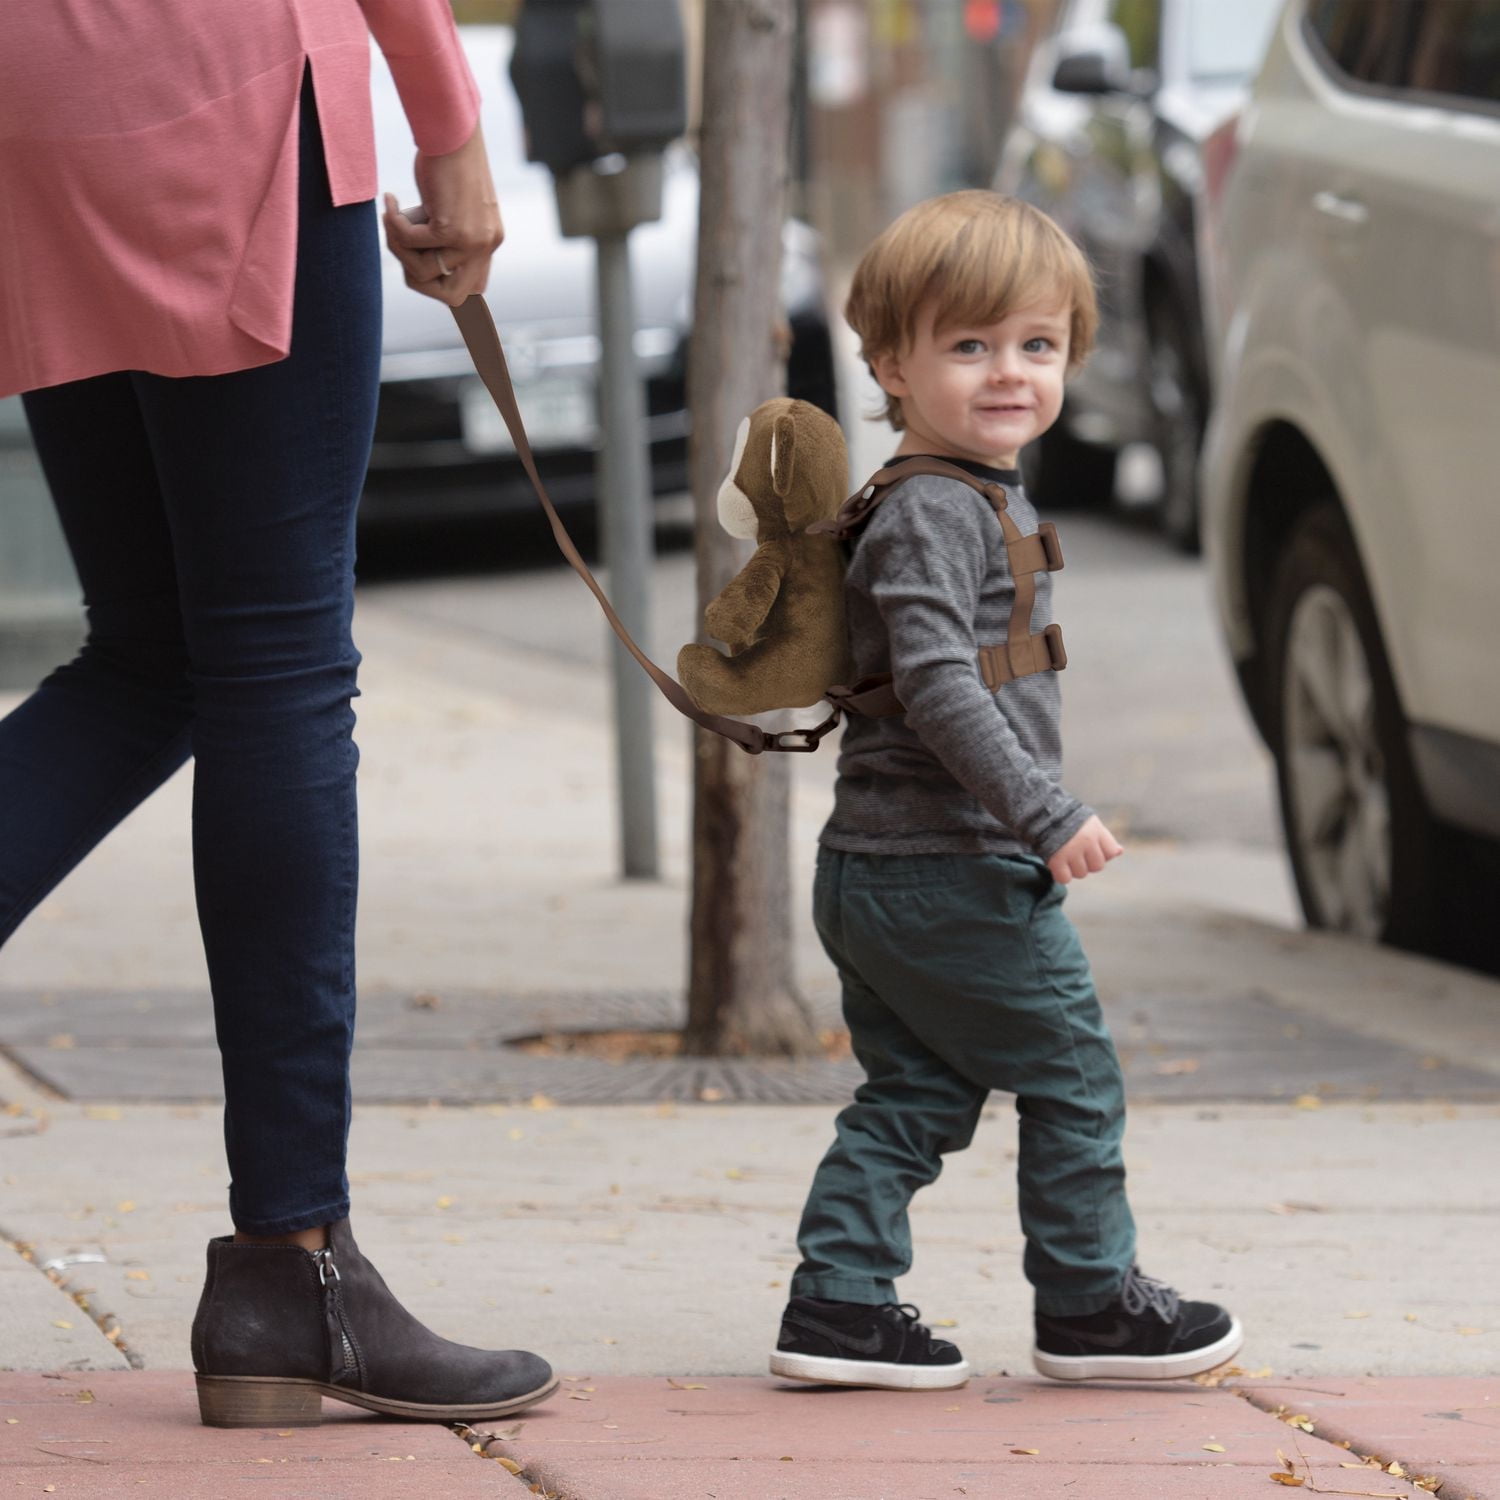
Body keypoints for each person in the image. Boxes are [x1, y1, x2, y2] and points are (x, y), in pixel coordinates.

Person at [0, 0, 555, 1426]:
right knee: (276, 664)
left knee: (156, 654)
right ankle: (292, 1264)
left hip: (39, 103)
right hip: (233, 81)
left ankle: (283, 1278)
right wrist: (452, 133)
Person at [768, 191, 1243, 1390]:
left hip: (882, 871)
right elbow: (934, 682)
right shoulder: (935, 507)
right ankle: (1089, 1306)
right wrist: (1046, 813)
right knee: (1073, 1075)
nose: (1008, 375)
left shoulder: (956, 491)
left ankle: (838, 1304)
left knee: (918, 1090)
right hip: (950, 867)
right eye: (967, 346)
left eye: (1037, 346)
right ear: (889, 363)